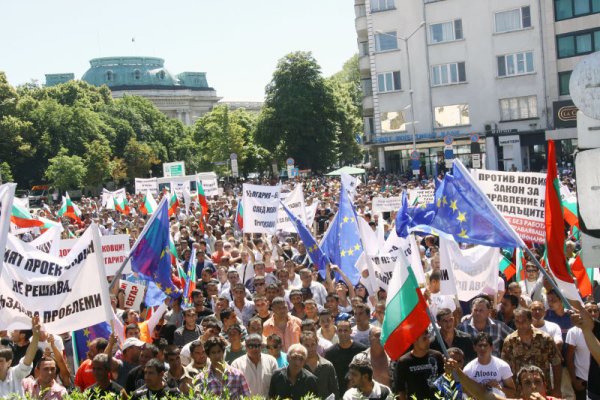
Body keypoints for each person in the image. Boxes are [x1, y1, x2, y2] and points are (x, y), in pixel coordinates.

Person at [501, 307, 562, 397]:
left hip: (543, 390)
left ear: (530, 321)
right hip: (520, 392)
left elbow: (556, 363)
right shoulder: (510, 341)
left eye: (524, 321)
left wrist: (557, 389)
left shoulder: (545, 338)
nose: (521, 325)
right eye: (517, 321)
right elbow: (505, 368)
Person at [391, 329, 444, 400]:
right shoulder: (404, 362)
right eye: (424, 338)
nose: (428, 341)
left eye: (428, 337)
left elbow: (444, 379)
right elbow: (400, 389)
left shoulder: (437, 356)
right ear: (414, 341)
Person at [463, 332, 516, 397]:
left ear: (491, 347)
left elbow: (513, 392)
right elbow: (465, 393)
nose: (482, 348)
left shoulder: (503, 366)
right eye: (480, 345)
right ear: (474, 347)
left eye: (485, 345)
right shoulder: (468, 369)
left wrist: (499, 387)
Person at [567, 301, 599, 400]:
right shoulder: (596, 326)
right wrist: (578, 306)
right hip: (594, 392)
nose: (593, 313)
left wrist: (584, 328)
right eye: (589, 311)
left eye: (595, 310)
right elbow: (589, 323)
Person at [325, 319, 367, 393]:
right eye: (340, 330)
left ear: (351, 331)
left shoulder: (361, 350)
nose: (343, 333)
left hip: (359, 392)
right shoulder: (330, 353)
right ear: (336, 332)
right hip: (338, 392)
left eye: (345, 330)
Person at [0, 316, 39, 397]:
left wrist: (35, 336)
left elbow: (27, 359)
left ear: (9, 362)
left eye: (0, 361)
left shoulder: (15, 374)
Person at [300, 331, 339, 399]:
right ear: (301, 346)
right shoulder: (298, 367)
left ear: (317, 344)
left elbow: (335, 390)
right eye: (307, 345)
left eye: (313, 344)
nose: (310, 348)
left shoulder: (327, 366)